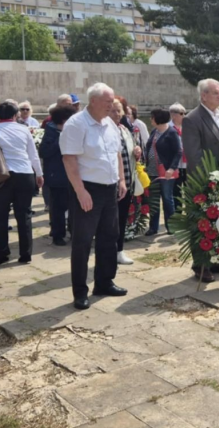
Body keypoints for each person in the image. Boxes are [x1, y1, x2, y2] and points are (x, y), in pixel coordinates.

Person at [61, 83, 128, 310]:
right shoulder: (76, 124)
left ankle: (104, 281)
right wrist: (80, 192)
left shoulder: (110, 123)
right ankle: (80, 292)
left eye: (112, 101)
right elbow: (69, 160)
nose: (111, 105)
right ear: (93, 101)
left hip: (110, 187)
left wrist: (121, 180)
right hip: (88, 188)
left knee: (109, 237)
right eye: (107, 101)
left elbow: (116, 153)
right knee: (82, 242)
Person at [182, 79, 219, 281]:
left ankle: (213, 260)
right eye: (215, 93)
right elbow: (194, 156)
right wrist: (207, 184)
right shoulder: (193, 119)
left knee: (217, 223)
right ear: (203, 95)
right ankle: (200, 265)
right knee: (201, 223)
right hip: (204, 182)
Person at [0, 101, 43, 265]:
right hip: (24, 173)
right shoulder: (24, 130)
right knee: (24, 215)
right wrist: (39, 173)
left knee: (0, 215)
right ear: (16, 115)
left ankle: (1, 254)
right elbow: (33, 154)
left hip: (1, 175)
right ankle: (26, 254)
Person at [40, 105, 76, 245]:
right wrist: (60, 140)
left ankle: (74, 232)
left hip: (72, 174)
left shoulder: (74, 132)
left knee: (74, 206)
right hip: (57, 175)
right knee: (58, 208)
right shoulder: (50, 132)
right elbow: (44, 152)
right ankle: (58, 234)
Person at [111, 99, 142, 263]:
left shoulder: (124, 129)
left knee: (121, 218)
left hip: (127, 182)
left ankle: (119, 251)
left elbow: (133, 151)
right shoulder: (105, 130)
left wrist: (137, 151)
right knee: (110, 221)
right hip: (110, 184)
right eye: (113, 111)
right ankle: (109, 252)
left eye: (118, 111)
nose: (116, 114)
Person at [144, 108, 181, 237]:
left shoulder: (171, 132)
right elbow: (148, 147)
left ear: (158, 119)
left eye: (152, 117)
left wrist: (172, 168)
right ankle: (153, 227)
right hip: (152, 171)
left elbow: (178, 152)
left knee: (167, 198)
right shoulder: (154, 131)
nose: (151, 119)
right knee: (153, 199)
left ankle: (170, 226)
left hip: (166, 172)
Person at [169, 103, 188, 212]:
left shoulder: (187, 127)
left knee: (188, 190)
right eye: (182, 114)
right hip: (174, 166)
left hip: (186, 164)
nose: (184, 116)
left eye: (185, 113)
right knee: (176, 192)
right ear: (173, 115)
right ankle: (178, 215)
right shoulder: (168, 128)